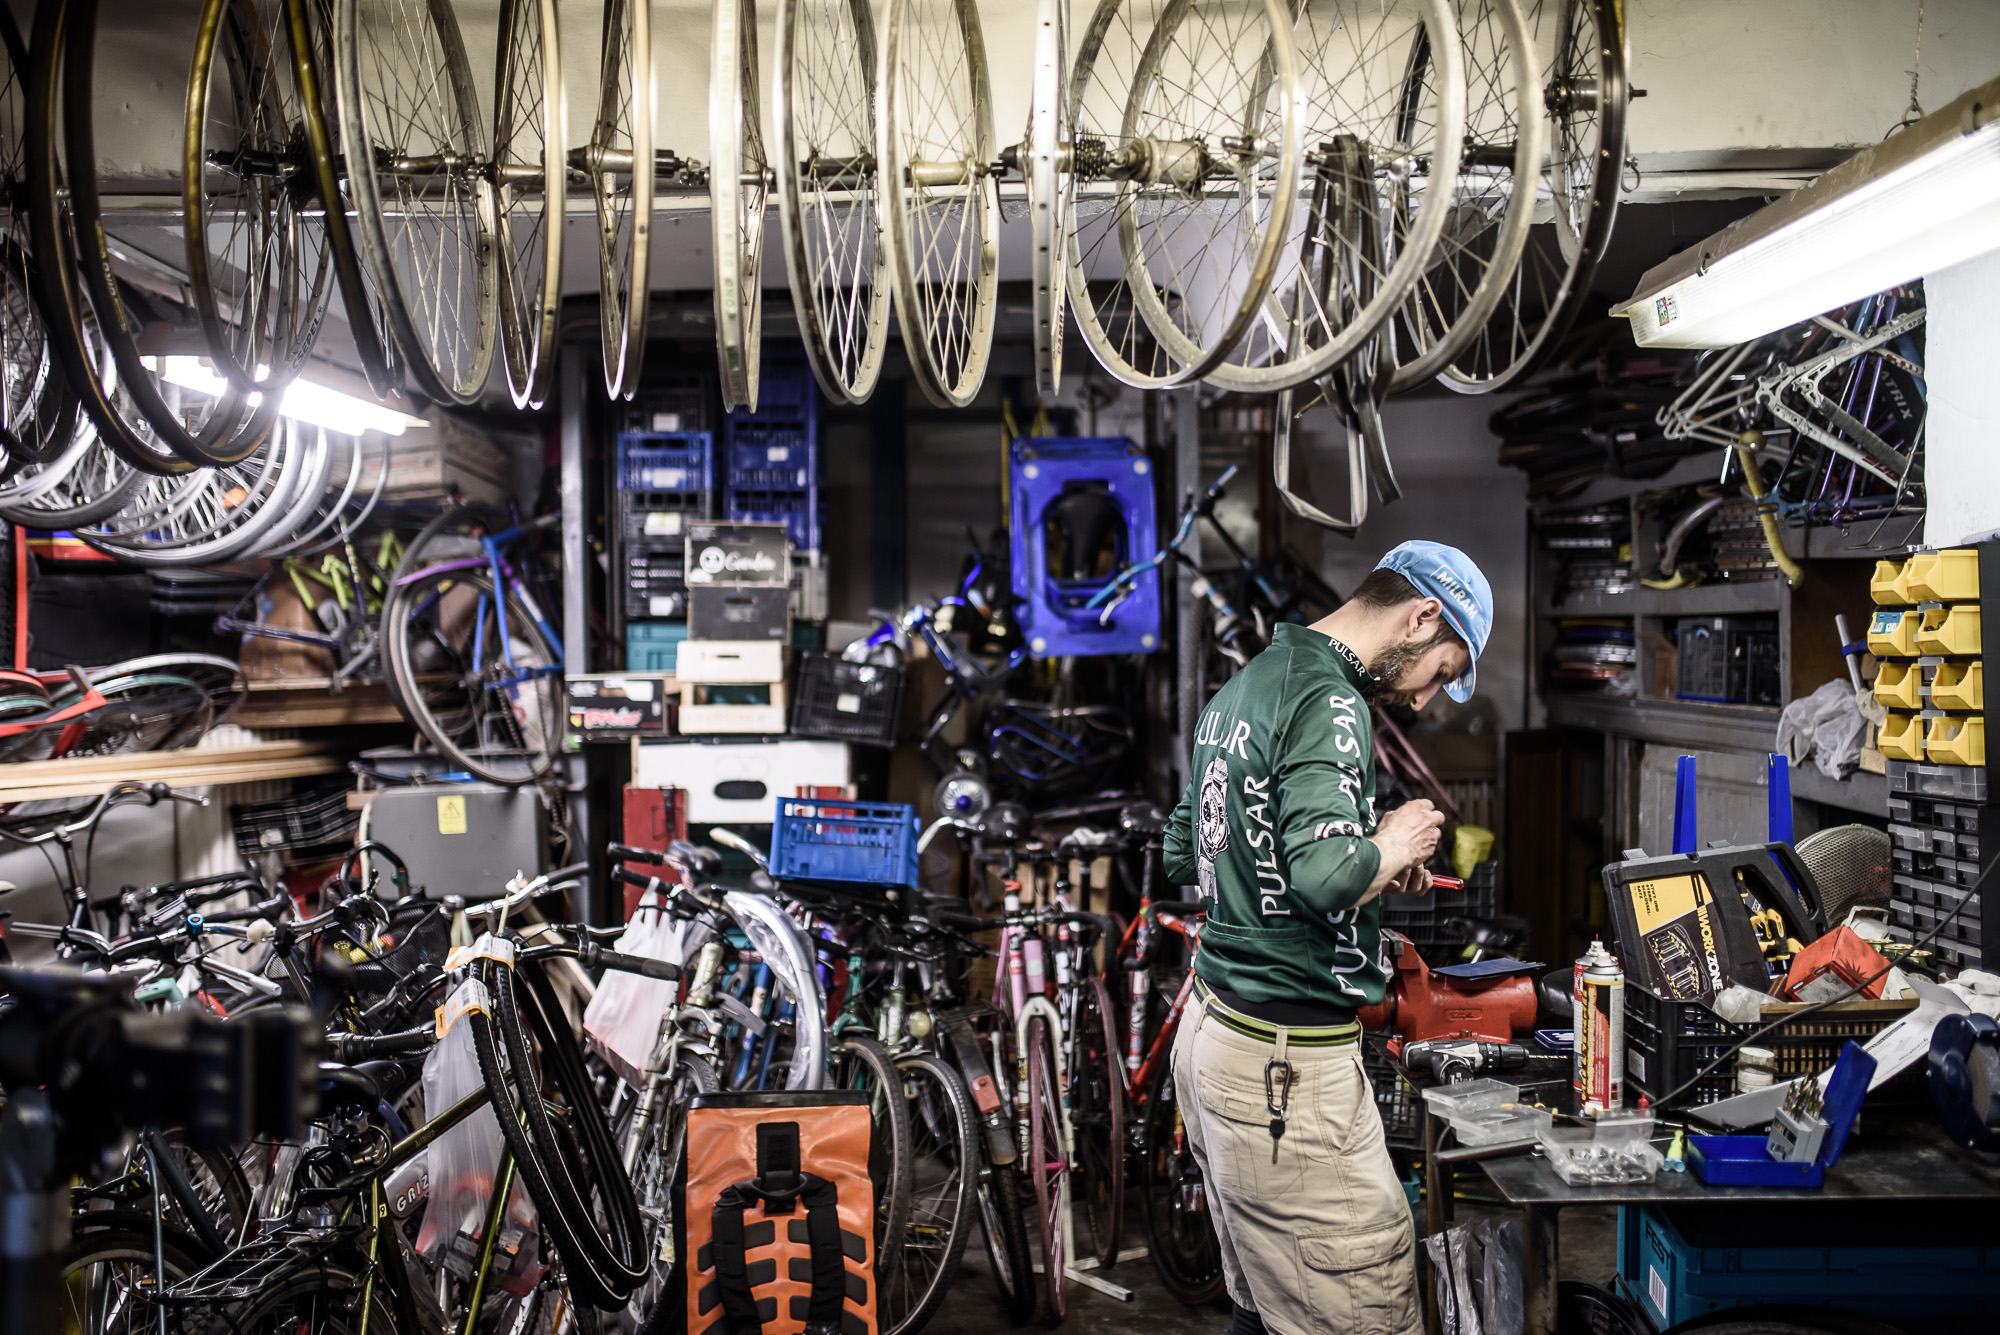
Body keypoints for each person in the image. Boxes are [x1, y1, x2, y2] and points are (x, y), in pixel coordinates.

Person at [1163, 540, 1493, 1335]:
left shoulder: (1249, 684)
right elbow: (1319, 878)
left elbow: (1186, 848)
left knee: (1266, 1305)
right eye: (1441, 670)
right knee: (1365, 1306)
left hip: (1215, 1035)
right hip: (1284, 1070)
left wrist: (1369, 859)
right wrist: (1392, 841)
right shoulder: (1332, 700)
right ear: (1423, 615)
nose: (1425, 697)